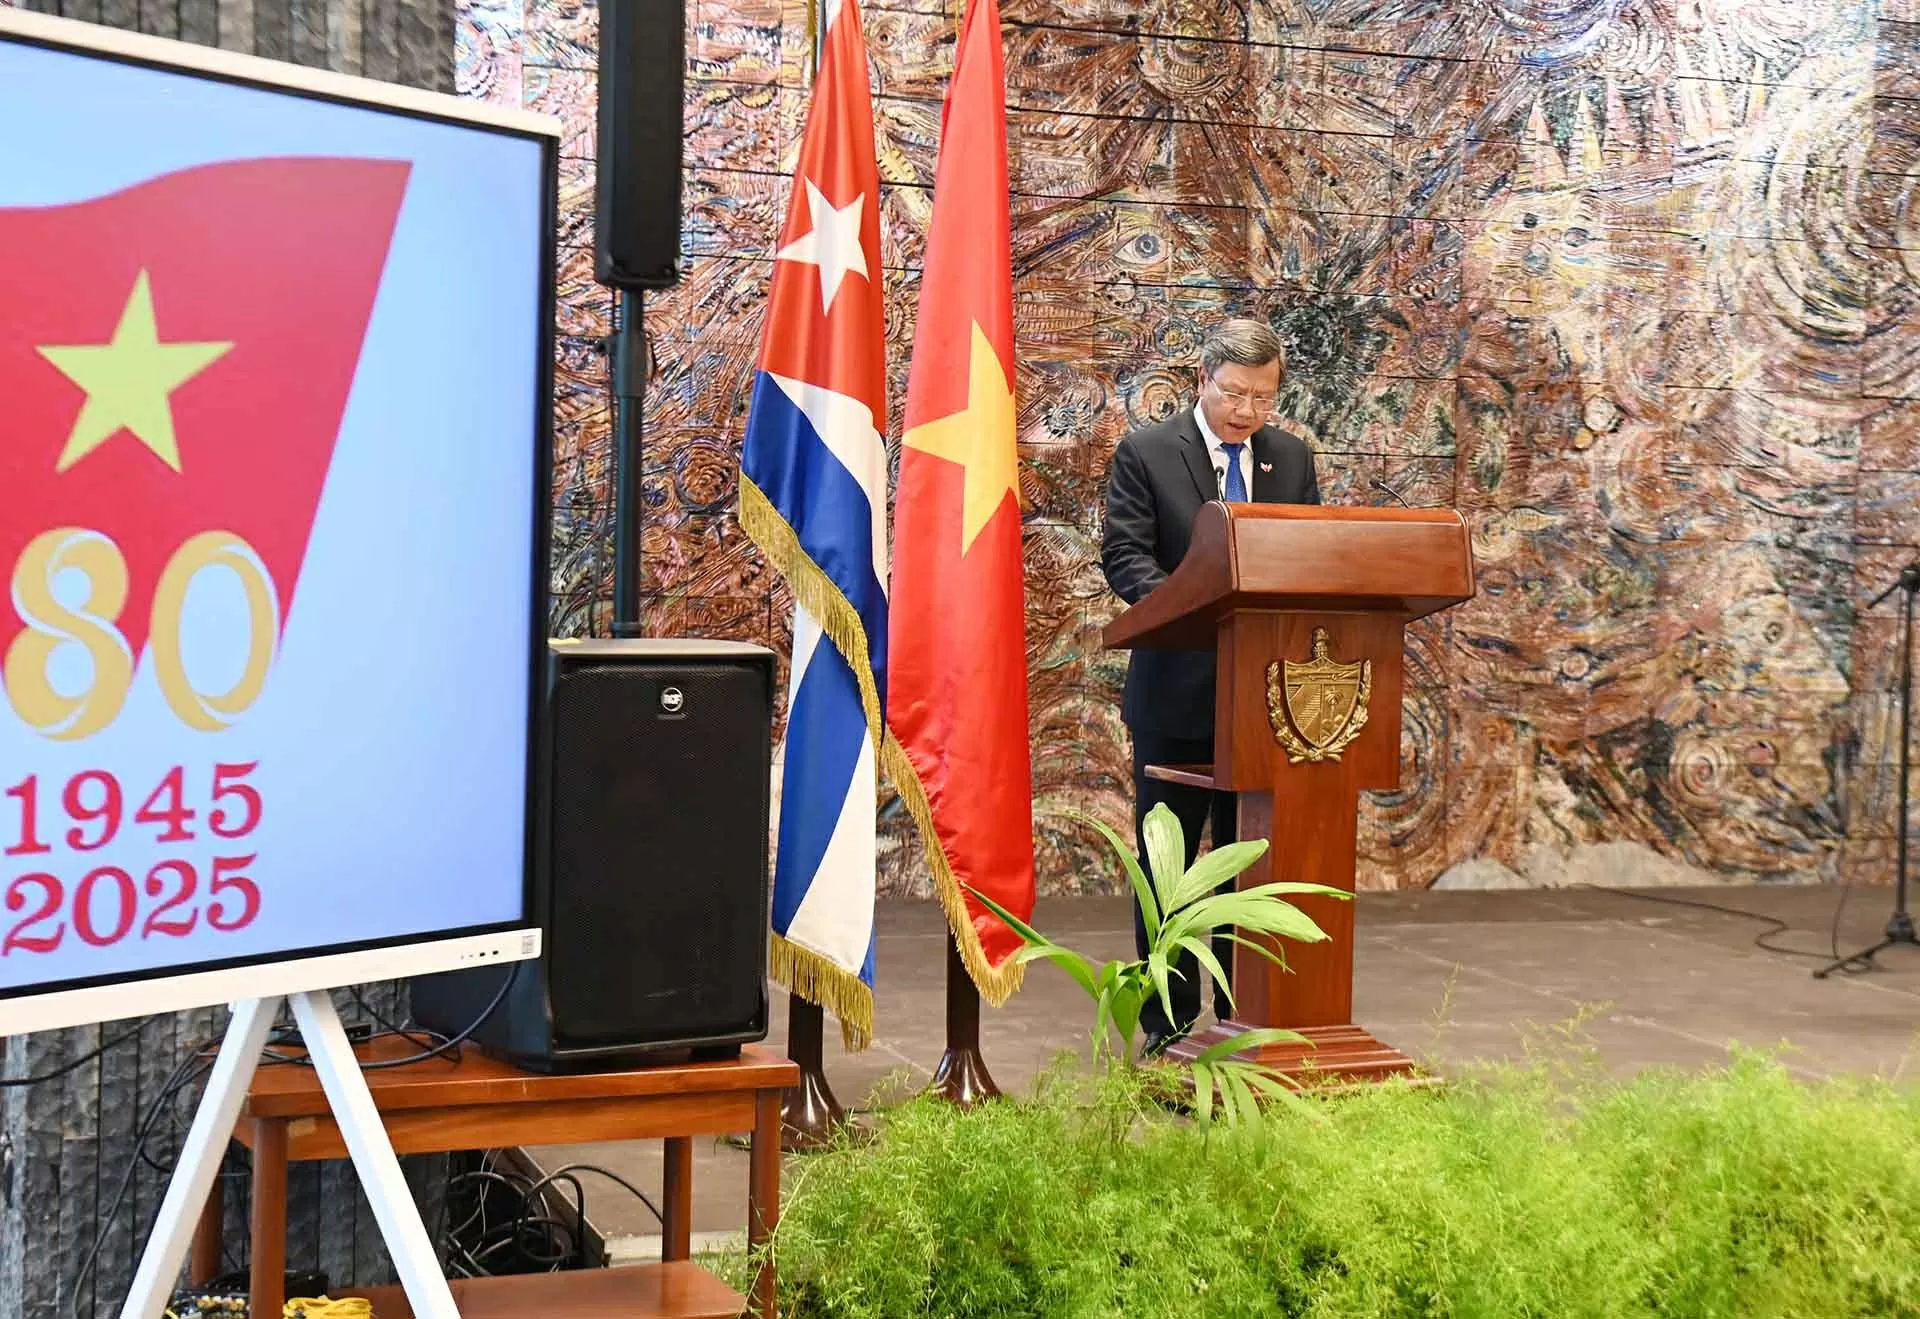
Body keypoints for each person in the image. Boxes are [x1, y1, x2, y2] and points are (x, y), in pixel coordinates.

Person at [1099, 317, 1321, 1056]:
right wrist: (1192, 613)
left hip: (1266, 702)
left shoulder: (1289, 458)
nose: (1248, 412)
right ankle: (1166, 1030)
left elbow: (1308, 555)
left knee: (1247, 865)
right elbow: (1126, 556)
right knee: (1169, 870)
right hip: (1176, 692)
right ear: (1203, 380)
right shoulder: (1149, 452)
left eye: (1263, 397)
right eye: (1234, 393)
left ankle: (1239, 1024)